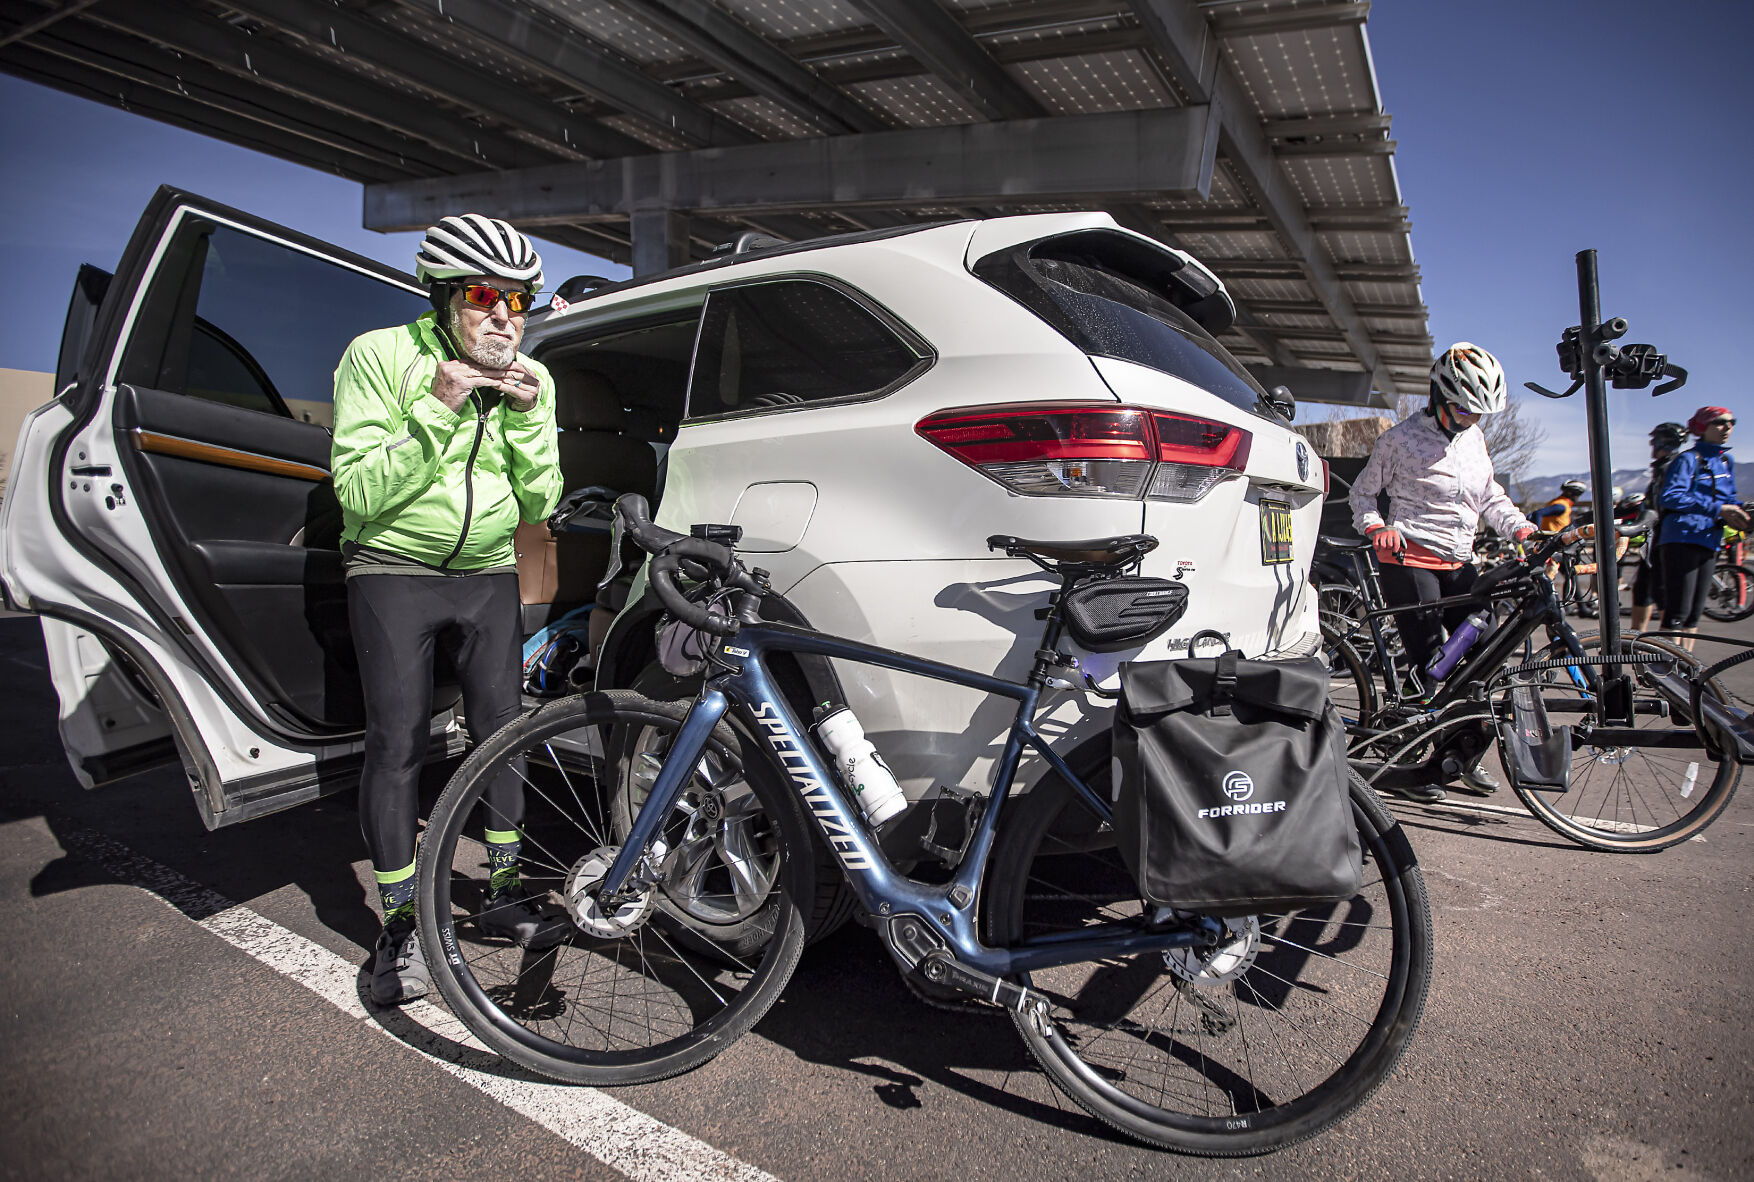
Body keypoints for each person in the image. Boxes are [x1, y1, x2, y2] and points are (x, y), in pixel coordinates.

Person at [331, 214, 568, 1005]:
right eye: (483, 295)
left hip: (489, 571)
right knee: (397, 743)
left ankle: (502, 889)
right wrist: (437, 407)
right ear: (441, 298)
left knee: (505, 735)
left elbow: (540, 500)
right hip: (393, 570)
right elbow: (359, 491)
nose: (505, 315)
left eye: (520, 301)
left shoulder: (531, 375)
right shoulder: (378, 355)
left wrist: (532, 420)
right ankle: (398, 921)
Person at [1350, 342, 1539, 801]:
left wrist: (1519, 527)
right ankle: (1414, 762)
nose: (1471, 418)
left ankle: (1462, 754)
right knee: (1432, 661)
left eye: (1479, 412)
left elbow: (1489, 495)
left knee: (1485, 655)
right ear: (1437, 395)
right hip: (1409, 557)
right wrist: (1378, 529)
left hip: (1460, 559)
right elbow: (1362, 497)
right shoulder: (1397, 440)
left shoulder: (1474, 439)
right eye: (1463, 408)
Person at [1655, 407, 1749, 650]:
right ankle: (1665, 674)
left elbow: (1729, 500)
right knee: (1677, 611)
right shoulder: (1688, 459)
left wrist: (1742, 512)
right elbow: (1671, 496)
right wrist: (1718, 509)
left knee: (1694, 614)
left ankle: (1687, 671)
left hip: (1709, 539)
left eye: (1731, 422)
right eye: (1719, 422)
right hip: (1681, 538)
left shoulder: (1725, 461)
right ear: (1702, 428)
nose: (1727, 427)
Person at [1628, 422, 1687, 633]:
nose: (1652, 445)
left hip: (1663, 536)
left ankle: (1670, 646)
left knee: (1661, 590)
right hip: (1655, 536)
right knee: (1644, 587)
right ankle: (1636, 636)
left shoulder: (1669, 467)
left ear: (1664, 442)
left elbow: (1661, 505)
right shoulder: (1664, 466)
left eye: (1655, 441)